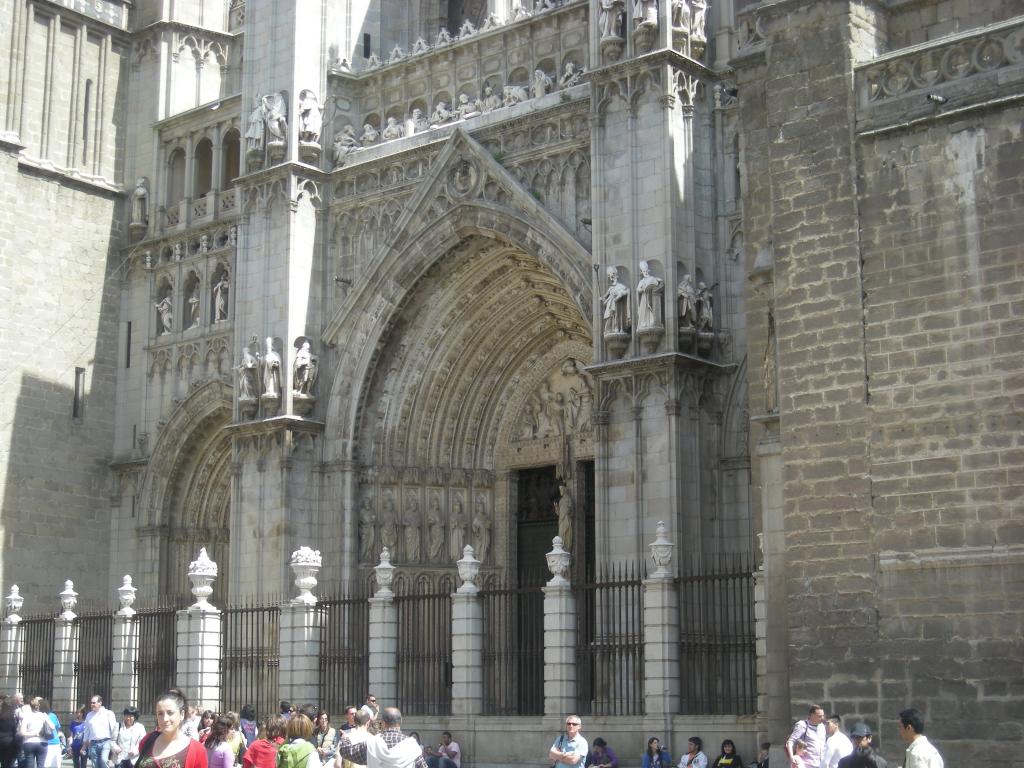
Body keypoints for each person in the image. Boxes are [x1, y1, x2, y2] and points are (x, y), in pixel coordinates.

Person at [135, 690, 207, 768]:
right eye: (160, 713)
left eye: (170, 713)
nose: (165, 719)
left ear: (182, 714)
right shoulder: (147, 740)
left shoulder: (197, 750)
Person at [335, 707, 426, 768]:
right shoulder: (412, 746)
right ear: (400, 721)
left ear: (382, 723)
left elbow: (347, 752)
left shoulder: (372, 744)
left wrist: (345, 738)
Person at [84, 695, 119, 768]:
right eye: (91, 703)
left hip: (105, 742)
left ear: (100, 703)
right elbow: (86, 730)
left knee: (104, 760)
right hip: (93, 743)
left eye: (94, 703)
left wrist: (114, 742)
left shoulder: (108, 713)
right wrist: (85, 744)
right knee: (95, 764)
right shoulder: (89, 715)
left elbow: (114, 728)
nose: (92, 704)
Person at [601, 268, 630, 335]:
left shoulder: (621, 286)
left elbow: (627, 291)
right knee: (609, 315)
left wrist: (620, 294)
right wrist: (602, 299)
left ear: (616, 276)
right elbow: (605, 296)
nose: (612, 277)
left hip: (617, 304)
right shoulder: (611, 288)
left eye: (613, 275)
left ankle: (617, 328)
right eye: (611, 276)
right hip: (610, 304)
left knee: (616, 315)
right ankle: (610, 329)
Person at [39, 700, 62, 768]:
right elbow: (58, 728)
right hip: (56, 742)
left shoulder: (40, 716)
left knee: (45, 764)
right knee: (56, 765)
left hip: (45, 743)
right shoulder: (53, 715)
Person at [0, 700, 18, 768]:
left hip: (1, 742)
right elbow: (15, 731)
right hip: (10, 742)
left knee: (3, 763)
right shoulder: (12, 719)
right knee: (10, 763)